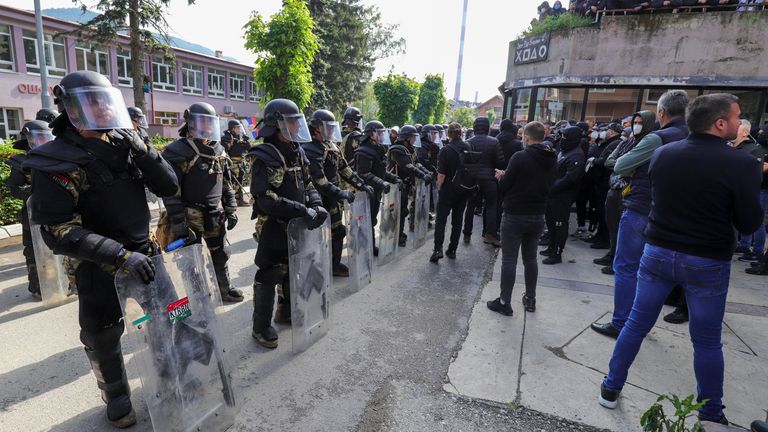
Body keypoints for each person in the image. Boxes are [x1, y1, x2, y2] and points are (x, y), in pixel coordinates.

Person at [23, 70, 179, 427]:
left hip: (147, 253)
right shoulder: (56, 159)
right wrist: (120, 256)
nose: (101, 109)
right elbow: (58, 232)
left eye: (104, 100)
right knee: (102, 333)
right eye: (91, 101)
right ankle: (116, 394)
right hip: (100, 263)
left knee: (171, 316)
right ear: (71, 107)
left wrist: (145, 153)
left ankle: (172, 374)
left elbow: (169, 186)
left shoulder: (127, 142)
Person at [598, 94, 764, 426]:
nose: (739, 123)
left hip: (658, 252)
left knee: (636, 323)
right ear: (719, 123)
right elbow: (749, 223)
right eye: (736, 117)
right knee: (705, 339)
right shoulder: (742, 164)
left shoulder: (663, 154)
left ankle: (610, 388)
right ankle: (711, 409)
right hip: (706, 261)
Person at [591, 90, 689, 339]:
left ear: (661, 112)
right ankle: (641, 323)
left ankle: (622, 322)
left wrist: (637, 169)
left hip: (643, 208)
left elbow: (621, 164)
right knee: (655, 273)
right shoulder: (693, 136)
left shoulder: (657, 138)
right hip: (675, 213)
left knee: (626, 266)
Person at [249, 98, 328, 349]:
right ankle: (260, 328)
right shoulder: (264, 155)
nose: (296, 126)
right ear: (277, 124)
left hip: (297, 223)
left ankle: (284, 311)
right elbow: (266, 200)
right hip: (273, 225)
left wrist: (316, 205)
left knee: (294, 267)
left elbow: (309, 184)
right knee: (270, 272)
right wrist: (303, 210)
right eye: (292, 121)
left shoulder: (298, 150)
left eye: (297, 121)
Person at [161, 103, 244, 304]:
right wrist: (178, 221)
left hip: (215, 215)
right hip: (189, 217)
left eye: (210, 122)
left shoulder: (219, 150)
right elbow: (171, 191)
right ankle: (197, 298)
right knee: (190, 260)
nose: (206, 127)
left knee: (221, 253)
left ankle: (223, 289)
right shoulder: (177, 151)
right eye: (202, 122)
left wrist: (231, 209)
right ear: (190, 122)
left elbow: (226, 183)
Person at [488, 122, 557, 315]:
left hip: (515, 214)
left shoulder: (520, 156)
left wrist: (502, 176)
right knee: (530, 258)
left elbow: (505, 187)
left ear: (526, 137)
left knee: (509, 260)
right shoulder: (552, 157)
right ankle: (530, 298)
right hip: (537, 214)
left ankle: (504, 302)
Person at [302, 109, 373, 276]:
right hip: (316, 199)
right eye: (328, 127)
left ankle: (334, 265)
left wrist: (362, 185)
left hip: (332, 199)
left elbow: (345, 169)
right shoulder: (310, 149)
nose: (332, 130)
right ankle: (314, 268)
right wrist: (341, 193)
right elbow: (319, 181)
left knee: (338, 231)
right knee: (314, 236)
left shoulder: (331, 145)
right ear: (317, 128)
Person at [5, 120, 55, 299]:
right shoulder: (20, 162)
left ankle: (61, 283)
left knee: (58, 247)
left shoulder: (52, 157)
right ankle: (37, 286)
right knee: (33, 251)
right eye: (38, 137)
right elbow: (14, 189)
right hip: (32, 214)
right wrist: (36, 189)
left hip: (54, 211)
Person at [592, 121, 639, 273]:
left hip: (626, 190)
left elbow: (621, 164)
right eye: (635, 123)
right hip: (614, 186)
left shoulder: (642, 146)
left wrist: (621, 164)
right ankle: (612, 254)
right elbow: (611, 162)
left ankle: (616, 259)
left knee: (621, 227)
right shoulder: (625, 144)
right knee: (612, 224)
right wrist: (622, 165)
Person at [355, 120, 401, 256]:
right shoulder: (363, 151)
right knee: (364, 221)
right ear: (371, 134)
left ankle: (368, 246)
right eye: (379, 133)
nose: (382, 135)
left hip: (376, 191)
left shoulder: (378, 149)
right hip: (365, 192)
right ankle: (362, 247)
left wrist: (393, 178)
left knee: (372, 220)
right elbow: (363, 173)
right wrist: (381, 183)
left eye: (382, 132)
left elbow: (380, 171)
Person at [541, 126, 585, 264]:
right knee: (552, 223)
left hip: (562, 197)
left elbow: (570, 178)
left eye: (565, 137)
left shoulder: (576, 155)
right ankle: (551, 247)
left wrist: (551, 187)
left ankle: (557, 253)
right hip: (553, 195)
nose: (562, 140)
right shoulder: (566, 151)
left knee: (560, 224)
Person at [430, 123, 474, 263]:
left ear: (448, 134)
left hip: (448, 190)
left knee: (441, 221)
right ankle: (452, 250)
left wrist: (439, 187)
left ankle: (438, 250)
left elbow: (441, 174)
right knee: (457, 220)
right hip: (463, 189)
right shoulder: (468, 147)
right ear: (461, 133)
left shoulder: (445, 150)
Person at [462, 117, 505, 247]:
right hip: (489, 178)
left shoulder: (468, 142)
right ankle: (489, 235)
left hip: (472, 179)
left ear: (474, 127)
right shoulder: (494, 141)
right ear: (487, 127)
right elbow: (500, 162)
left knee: (470, 206)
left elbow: (464, 162)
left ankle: (467, 233)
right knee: (491, 206)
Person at [388, 125, 432, 247]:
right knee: (398, 211)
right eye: (412, 137)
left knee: (402, 210)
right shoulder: (397, 149)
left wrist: (425, 171)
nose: (414, 139)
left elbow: (416, 163)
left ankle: (399, 233)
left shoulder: (409, 148)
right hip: (396, 184)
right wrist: (422, 175)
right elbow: (408, 166)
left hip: (406, 184)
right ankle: (396, 235)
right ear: (407, 137)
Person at [732, 119, 766, 261]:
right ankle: (744, 244)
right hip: (736, 191)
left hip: (755, 190)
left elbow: (756, 172)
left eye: (737, 127)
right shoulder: (731, 147)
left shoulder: (753, 149)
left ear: (745, 132)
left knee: (756, 219)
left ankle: (757, 250)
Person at [220, 119, 253, 206]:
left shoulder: (240, 137)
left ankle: (240, 200)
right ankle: (232, 201)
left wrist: (246, 141)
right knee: (233, 183)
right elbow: (223, 150)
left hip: (240, 163)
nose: (239, 130)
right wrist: (231, 142)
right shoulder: (226, 138)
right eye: (237, 128)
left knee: (240, 182)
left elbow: (249, 148)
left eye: (239, 128)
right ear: (232, 129)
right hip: (232, 164)